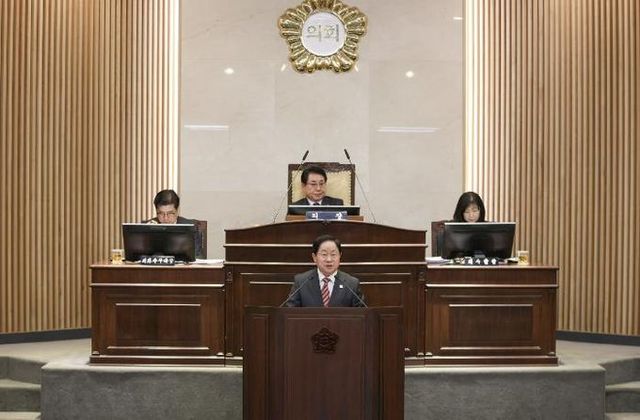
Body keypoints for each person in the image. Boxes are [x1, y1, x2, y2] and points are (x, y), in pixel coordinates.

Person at [285, 234, 365, 307]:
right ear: (314, 257)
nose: (329, 259)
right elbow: (289, 312)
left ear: (340, 256)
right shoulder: (301, 282)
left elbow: (361, 315)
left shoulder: (351, 284)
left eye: (333, 254)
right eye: (324, 254)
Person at [146, 189, 204, 258]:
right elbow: (139, 257)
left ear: (177, 211)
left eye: (170, 213)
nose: (165, 218)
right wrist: (148, 233)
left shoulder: (191, 227)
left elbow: (198, 257)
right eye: (161, 213)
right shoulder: (147, 226)